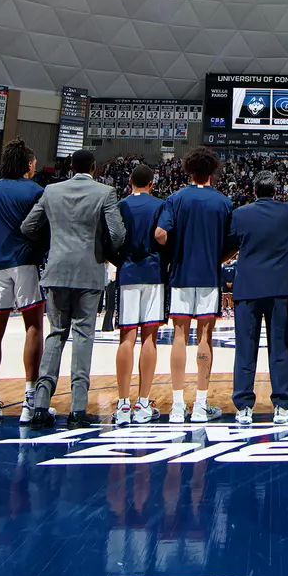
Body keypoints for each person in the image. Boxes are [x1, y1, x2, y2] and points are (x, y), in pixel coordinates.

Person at [20, 149, 125, 428]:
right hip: (89, 272)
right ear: (93, 167)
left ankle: (41, 406)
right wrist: (103, 251)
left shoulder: (51, 191)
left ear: (70, 167)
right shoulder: (105, 192)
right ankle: (78, 408)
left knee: (55, 334)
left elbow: (28, 226)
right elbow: (118, 234)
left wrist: (53, 244)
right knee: (83, 336)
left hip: (56, 270)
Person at [155, 147, 233, 423]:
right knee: (204, 337)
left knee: (178, 335)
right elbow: (234, 242)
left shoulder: (175, 198)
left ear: (189, 170)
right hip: (209, 276)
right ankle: (200, 404)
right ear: (213, 171)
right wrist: (217, 258)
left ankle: (177, 405)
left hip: (181, 274)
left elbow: (160, 234)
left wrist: (175, 253)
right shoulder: (223, 202)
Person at [0, 141, 45, 427]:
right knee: (33, 326)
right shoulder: (36, 191)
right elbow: (43, 230)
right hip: (27, 263)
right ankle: (30, 397)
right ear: (29, 165)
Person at [226, 172, 288, 425]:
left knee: (246, 348)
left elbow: (230, 246)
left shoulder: (240, 213)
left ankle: (244, 407)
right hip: (280, 288)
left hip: (247, 288)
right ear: (275, 191)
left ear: (254, 191)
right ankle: (281, 406)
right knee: (280, 347)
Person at [113, 164, 165, 426]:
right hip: (153, 273)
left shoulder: (120, 206)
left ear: (129, 181)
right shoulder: (159, 205)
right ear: (152, 183)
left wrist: (119, 261)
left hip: (128, 273)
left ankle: (123, 404)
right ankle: (143, 402)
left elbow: (112, 239)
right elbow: (164, 239)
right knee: (149, 337)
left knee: (127, 337)